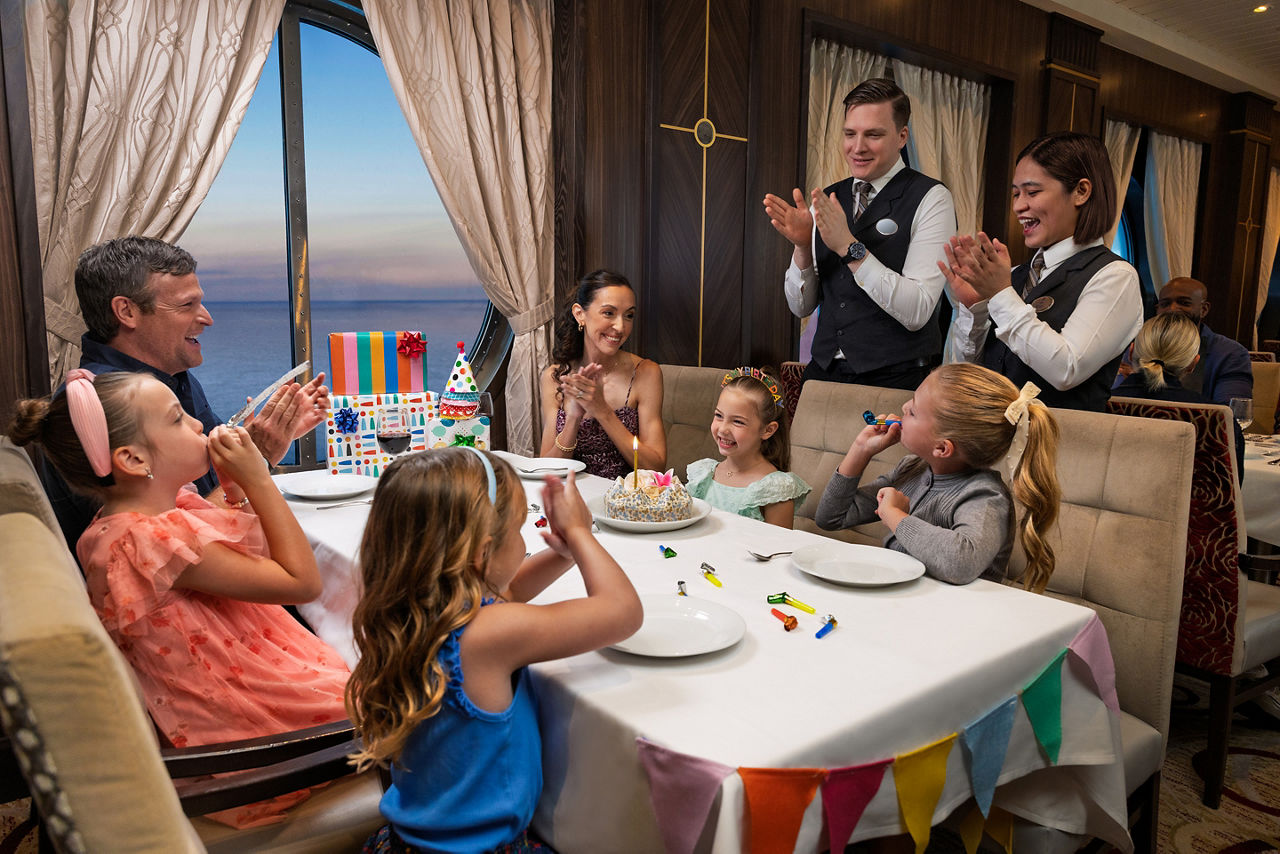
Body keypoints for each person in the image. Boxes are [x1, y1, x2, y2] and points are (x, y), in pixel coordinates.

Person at [9, 370, 349, 826]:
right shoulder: (149, 542)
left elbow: (237, 552)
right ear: (132, 458)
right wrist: (259, 479)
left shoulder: (134, 525)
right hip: (256, 737)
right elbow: (301, 582)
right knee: (428, 681)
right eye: (177, 418)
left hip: (235, 704)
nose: (197, 424)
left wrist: (238, 483)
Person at [345, 448, 643, 853]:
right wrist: (580, 534)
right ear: (482, 553)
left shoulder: (414, 609)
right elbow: (622, 612)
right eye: (520, 529)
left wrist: (563, 555)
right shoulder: (487, 636)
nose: (525, 539)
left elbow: (510, 590)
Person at [41, 235, 331, 551]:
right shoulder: (96, 410)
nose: (207, 318)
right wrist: (259, 457)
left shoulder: (175, 378)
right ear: (126, 311)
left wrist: (264, 436)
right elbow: (172, 552)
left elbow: (209, 478)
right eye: (186, 305)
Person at [762, 78, 956, 390]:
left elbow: (918, 309)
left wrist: (850, 248)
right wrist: (801, 246)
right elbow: (801, 307)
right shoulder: (828, 198)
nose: (858, 147)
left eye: (873, 135)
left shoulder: (931, 198)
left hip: (896, 378)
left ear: (902, 136)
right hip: (824, 372)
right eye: (850, 134)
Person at [815, 363, 1061, 591]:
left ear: (942, 448)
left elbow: (961, 563)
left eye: (912, 411)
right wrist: (861, 449)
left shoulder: (985, 496)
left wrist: (895, 516)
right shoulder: (912, 469)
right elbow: (831, 517)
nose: (903, 408)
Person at [943, 131, 1143, 411]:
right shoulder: (1013, 276)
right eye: (1015, 194)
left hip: (1064, 445)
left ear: (1081, 191)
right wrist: (973, 308)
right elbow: (969, 376)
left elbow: (1066, 369)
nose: (1018, 206)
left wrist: (1001, 295)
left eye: (1032, 192)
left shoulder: (1115, 277)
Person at [539, 269, 666, 478]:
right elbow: (547, 471)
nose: (620, 326)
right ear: (580, 314)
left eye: (629, 316)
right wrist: (574, 417)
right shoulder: (555, 377)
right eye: (609, 313)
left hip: (623, 502)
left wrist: (602, 410)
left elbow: (655, 468)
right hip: (570, 496)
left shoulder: (645, 373)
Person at [1113, 312, 1245, 481]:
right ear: (1192, 363)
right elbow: (1230, 492)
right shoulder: (1216, 420)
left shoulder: (1095, 408)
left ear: (1131, 353)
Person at [685, 367, 810, 527]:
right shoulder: (703, 476)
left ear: (768, 430)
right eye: (719, 415)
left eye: (738, 421)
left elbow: (778, 549)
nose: (723, 429)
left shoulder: (776, 489)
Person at [1115, 277, 1252, 407]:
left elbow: (1230, 413)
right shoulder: (1138, 344)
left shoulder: (1229, 353)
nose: (1173, 309)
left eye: (1184, 303)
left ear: (1203, 309)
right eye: (1165, 304)